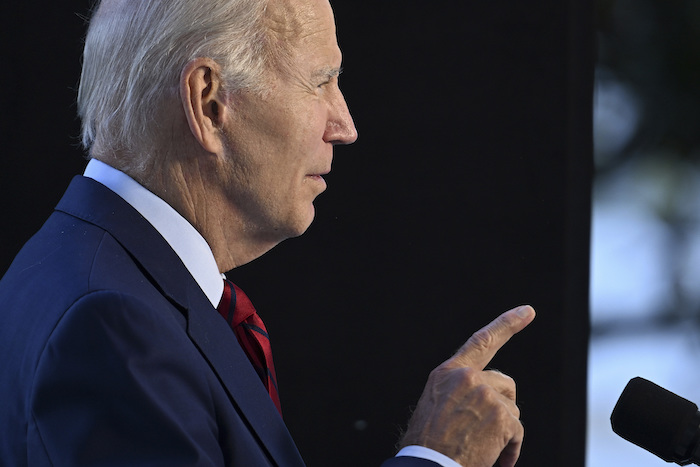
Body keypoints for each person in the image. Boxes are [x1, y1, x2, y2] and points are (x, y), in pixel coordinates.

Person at [0, 0, 536, 465]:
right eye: (320, 81)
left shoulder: (74, 270)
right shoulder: (111, 326)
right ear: (209, 103)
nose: (344, 126)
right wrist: (436, 457)